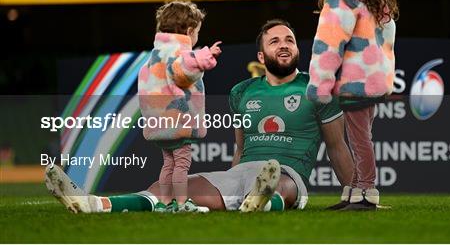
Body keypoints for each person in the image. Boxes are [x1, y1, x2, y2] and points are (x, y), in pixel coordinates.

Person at [45, 19, 353, 213]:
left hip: (289, 174)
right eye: (275, 41)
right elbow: (241, 149)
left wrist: (356, 193)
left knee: (282, 186)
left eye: (289, 40)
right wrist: (232, 180)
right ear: (261, 56)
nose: (284, 45)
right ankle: (93, 204)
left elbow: (338, 147)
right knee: (167, 191)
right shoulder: (242, 91)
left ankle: (262, 199)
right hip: (243, 172)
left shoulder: (318, 87)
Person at [306, 0, 398, 210]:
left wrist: (318, 84)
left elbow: (328, 44)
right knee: (362, 136)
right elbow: (388, 42)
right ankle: (355, 190)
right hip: (374, 81)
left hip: (354, 82)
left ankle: (367, 192)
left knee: (359, 139)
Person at [138, 0, 222, 212]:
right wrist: (205, 56)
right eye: (197, 33)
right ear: (190, 30)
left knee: (168, 163)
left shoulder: (155, 55)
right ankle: (183, 203)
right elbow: (183, 72)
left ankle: (164, 204)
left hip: (159, 123)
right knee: (182, 164)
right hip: (178, 121)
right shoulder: (179, 53)